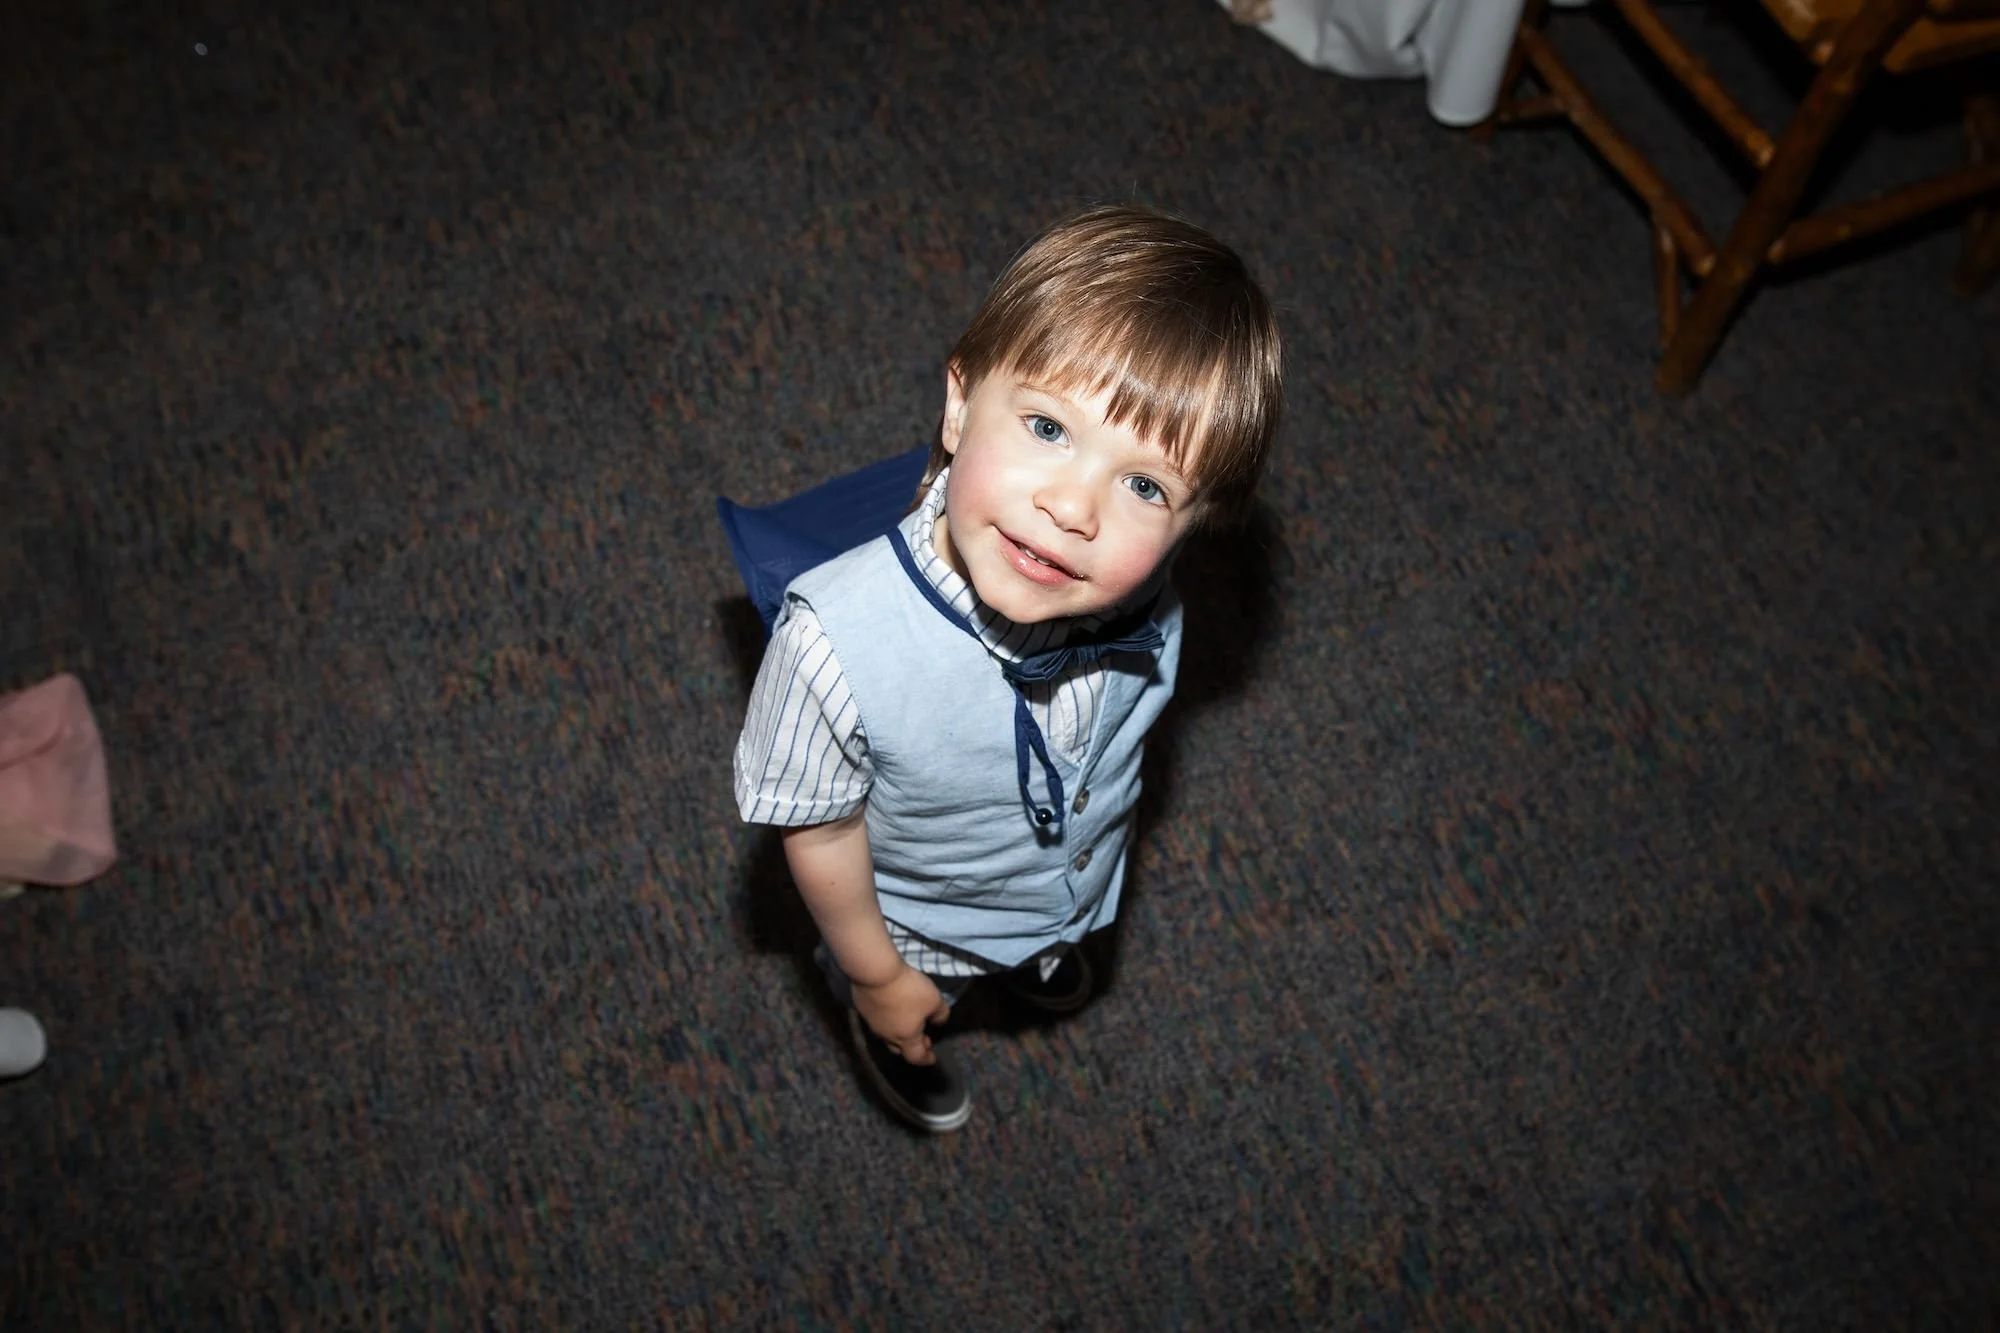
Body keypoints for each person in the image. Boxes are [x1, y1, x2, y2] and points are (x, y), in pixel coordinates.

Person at [732, 205, 1283, 1132]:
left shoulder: (1150, 594)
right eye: (1047, 427)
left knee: (1062, 926)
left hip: (1075, 867)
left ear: (1195, 529)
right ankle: (889, 1032)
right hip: (919, 917)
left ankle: (1040, 944)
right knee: (911, 1002)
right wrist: (876, 972)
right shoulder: (833, 648)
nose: (1074, 507)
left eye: (1145, 485)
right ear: (958, 404)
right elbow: (820, 834)